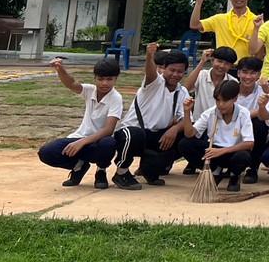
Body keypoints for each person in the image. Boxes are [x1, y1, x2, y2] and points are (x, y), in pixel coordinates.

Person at [111, 44, 190, 190]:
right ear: (164, 69)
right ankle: (121, 172)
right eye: (172, 70)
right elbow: (150, 72)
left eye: (180, 71)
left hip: (157, 134)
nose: (175, 74)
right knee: (134, 134)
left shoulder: (182, 91)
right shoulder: (155, 82)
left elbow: (186, 119)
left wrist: (174, 130)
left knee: (186, 136)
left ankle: (150, 169)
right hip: (133, 132)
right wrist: (149, 56)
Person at [37, 56, 122, 189]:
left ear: (116, 79)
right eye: (100, 79)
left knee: (108, 143)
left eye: (109, 79)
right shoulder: (90, 90)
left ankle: (101, 171)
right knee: (46, 152)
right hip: (79, 138)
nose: (104, 83)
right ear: (95, 79)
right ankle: (79, 166)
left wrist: (82, 142)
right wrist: (60, 69)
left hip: (98, 143)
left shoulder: (116, 98)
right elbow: (71, 84)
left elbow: (108, 129)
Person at [178, 80, 255, 193]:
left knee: (243, 156)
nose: (221, 104)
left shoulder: (243, 113)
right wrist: (186, 112)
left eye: (225, 100)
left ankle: (234, 175)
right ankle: (215, 170)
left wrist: (222, 151)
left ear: (235, 99)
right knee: (185, 144)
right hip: (213, 152)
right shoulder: (210, 113)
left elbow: (249, 143)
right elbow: (189, 134)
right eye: (218, 100)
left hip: (232, 152)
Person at [190, 0, 261, 59]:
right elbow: (194, 25)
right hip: (223, 65)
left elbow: (259, 50)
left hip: (245, 65)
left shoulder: (257, 21)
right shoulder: (219, 19)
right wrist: (199, 2)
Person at [232, 56, 269, 180]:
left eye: (252, 73)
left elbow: (263, 111)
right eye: (244, 72)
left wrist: (242, 118)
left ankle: (253, 167)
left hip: (254, 130)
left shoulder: (263, 91)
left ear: (259, 75)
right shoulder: (230, 89)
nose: (248, 77)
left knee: (258, 123)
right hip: (232, 128)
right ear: (238, 73)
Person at [183, 46, 239, 120]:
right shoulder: (201, 75)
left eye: (227, 63)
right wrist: (202, 62)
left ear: (231, 66)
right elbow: (185, 88)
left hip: (221, 123)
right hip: (199, 122)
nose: (222, 66)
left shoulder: (233, 81)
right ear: (212, 60)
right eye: (219, 61)